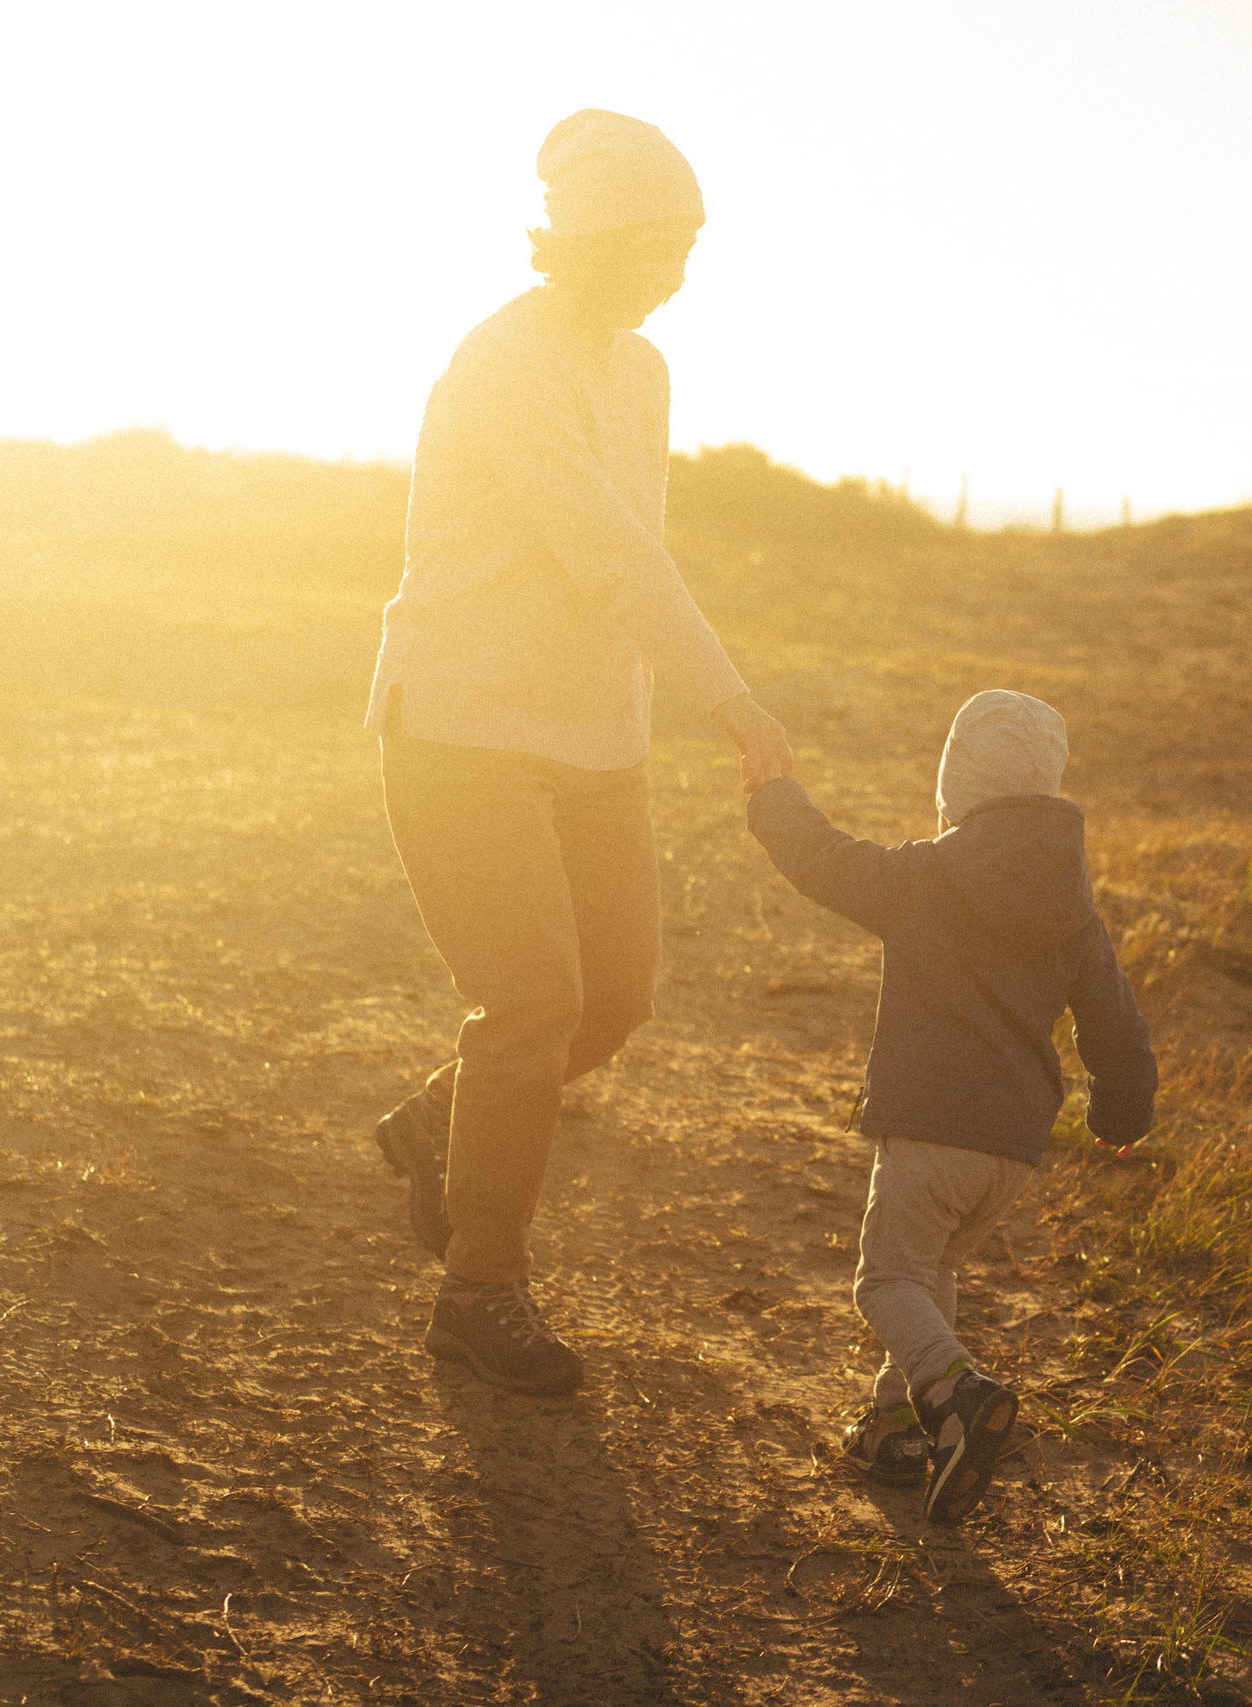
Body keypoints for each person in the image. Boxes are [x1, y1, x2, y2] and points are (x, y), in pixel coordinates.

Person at [363, 110, 794, 1397]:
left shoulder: (641, 369)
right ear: (585, 241)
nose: (677, 270)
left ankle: (439, 1122)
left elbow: (631, 553)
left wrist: (647, 712)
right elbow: (609, 551)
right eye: (658, 243)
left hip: (591, 734)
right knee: (533, 1000)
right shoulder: (506, 364)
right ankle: (481, 1291)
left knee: (614, 998)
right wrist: (730, 698)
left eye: (691, 244)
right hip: (460, 722)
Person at [747, 690, 1157, 1523]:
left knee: (887, 1278)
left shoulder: (925, 877)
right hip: (1011, 1151)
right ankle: (895, 1426)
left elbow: (823, 858)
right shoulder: (1072, 911)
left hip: (929, 1128)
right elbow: (1115, 1023)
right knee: (933, 1272)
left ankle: (958, 1394)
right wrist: (1120, 1112)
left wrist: (770, 795)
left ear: (955, 781)